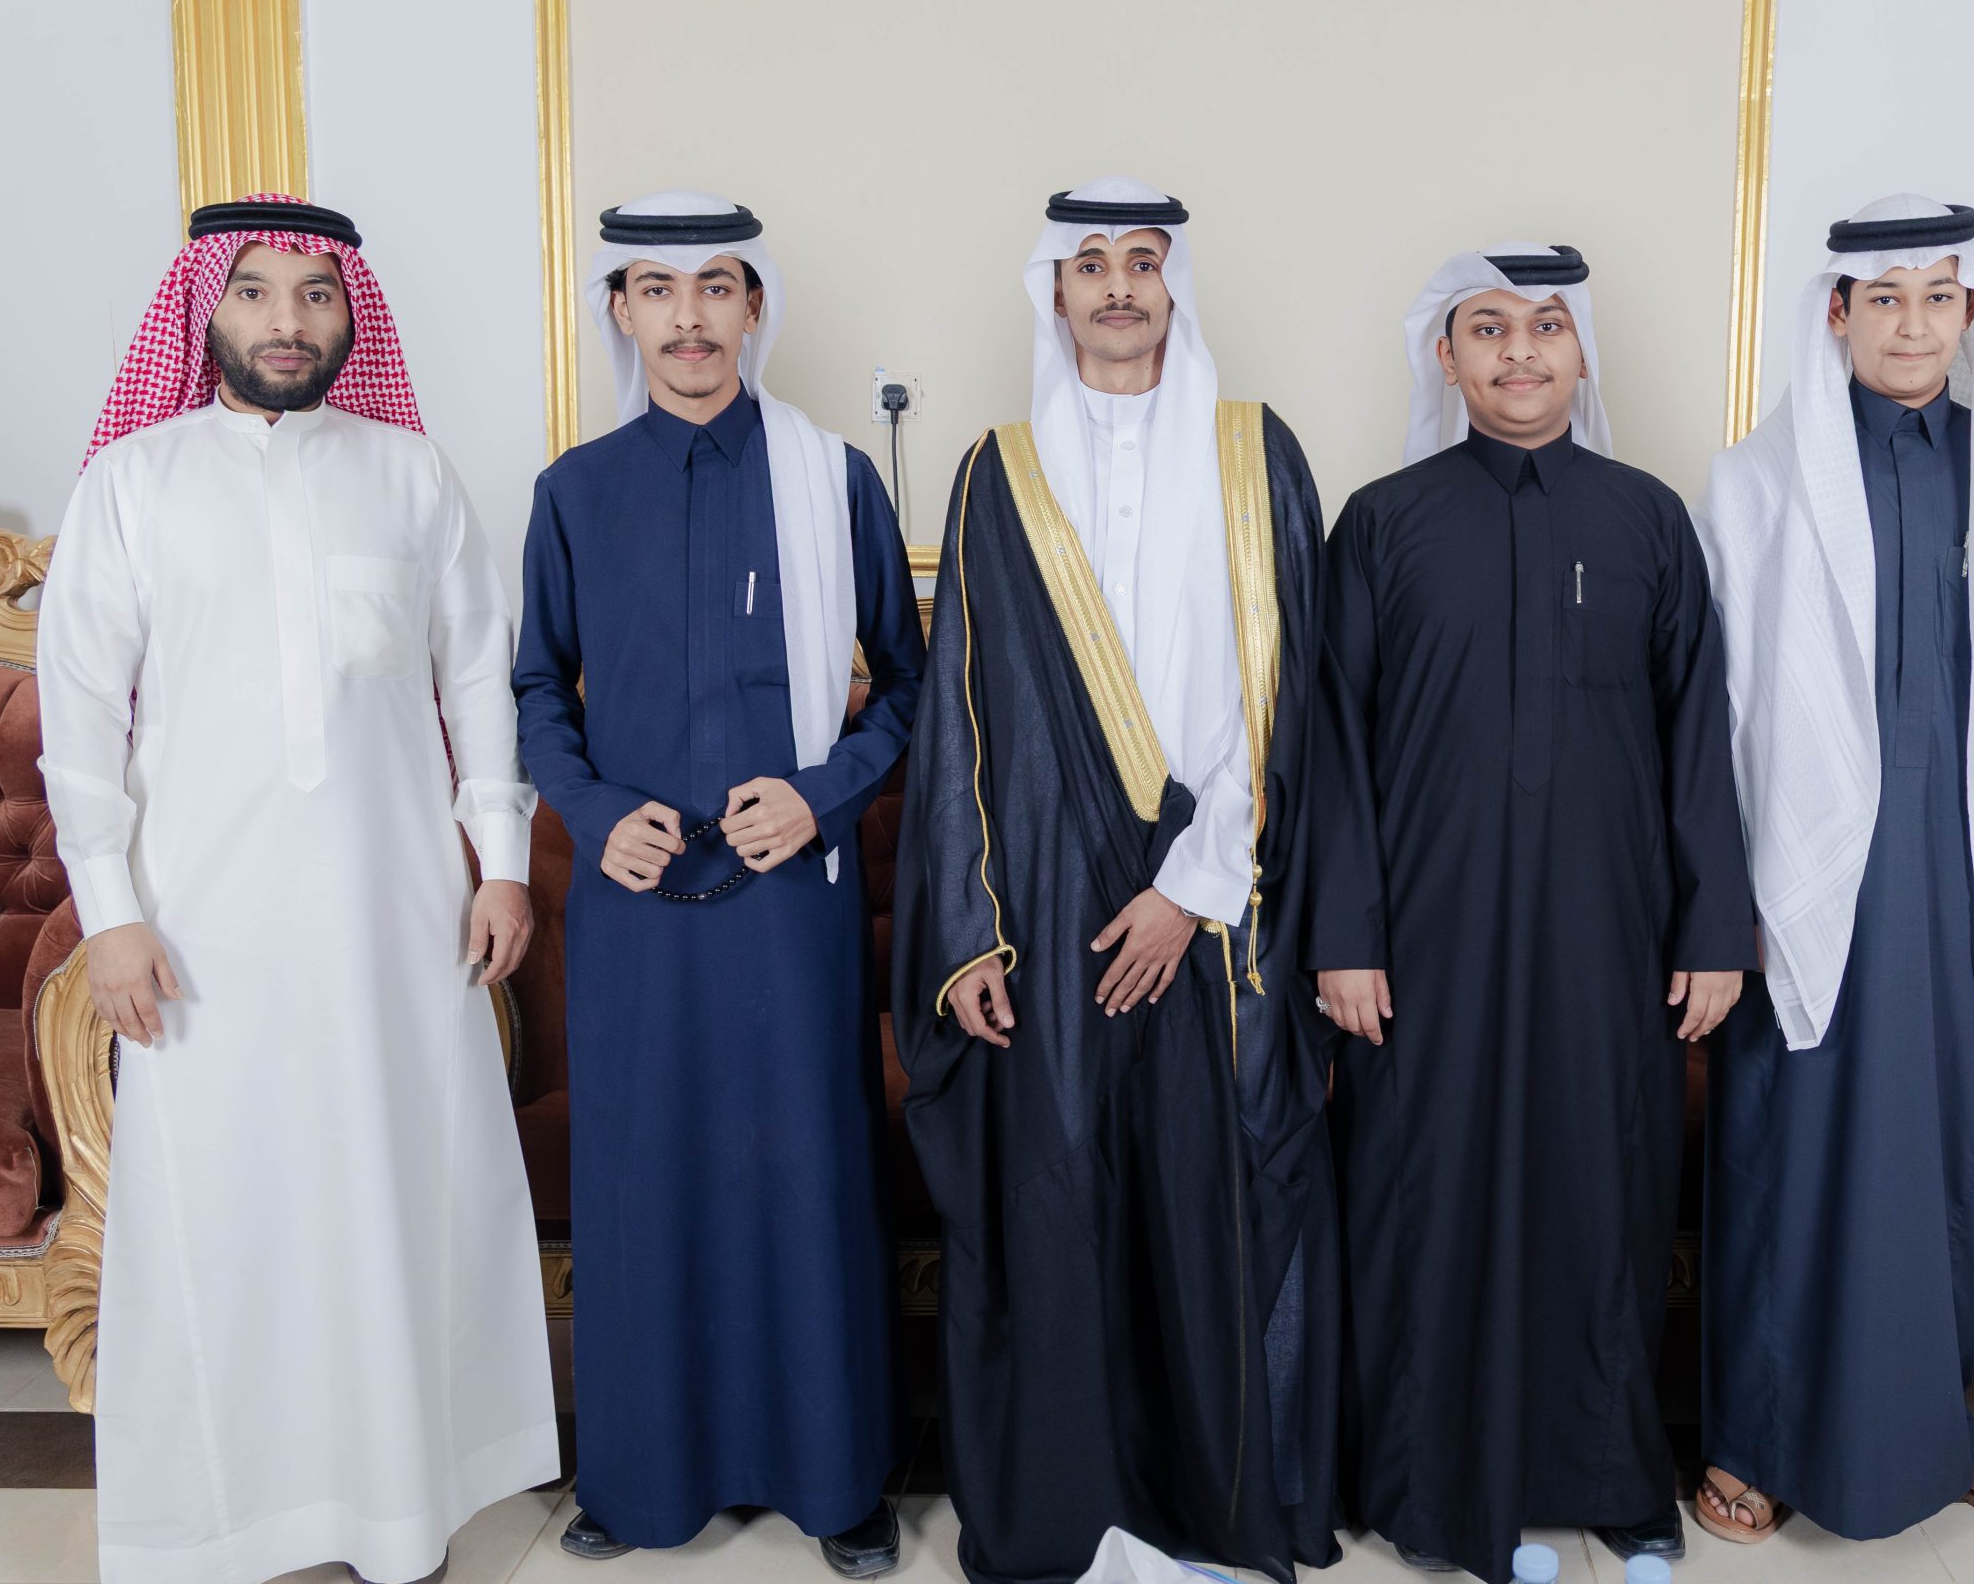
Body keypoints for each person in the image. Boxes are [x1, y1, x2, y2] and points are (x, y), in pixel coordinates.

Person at [38, 194, 556, 1584]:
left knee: (394, 1202)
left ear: (349, 317)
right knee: (229, 1216)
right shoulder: (133, 482)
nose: (287, 320)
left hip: (399, 921)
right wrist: (111, 916)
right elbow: (78, 720)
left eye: (316, 294)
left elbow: (476, 682)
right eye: (257, 291)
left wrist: (502, 867)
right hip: (200, 931)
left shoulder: (411, 474)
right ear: (206, 308)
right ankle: (229, 1521)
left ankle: (396, 1511)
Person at [893, 177, 1340, 1584]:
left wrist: (1193, 884)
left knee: (1218, 1201)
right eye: (1089, 264)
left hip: (1220, 913)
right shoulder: (997, 468)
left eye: (1142, 260)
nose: (1118, 286)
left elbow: (1289, 695)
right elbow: (960, 709)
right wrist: (966, 931)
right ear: (1055, 291)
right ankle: (1073, 1506)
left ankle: (1215, 1504)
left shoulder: (1255, 451)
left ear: (1172, 284)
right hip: (1048, 915)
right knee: (1067, 1195)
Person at [1307, 242, 1755, 1582]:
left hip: (1608, 939)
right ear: (1445, 360)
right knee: (1423, 1198)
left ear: (1580, 352)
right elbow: (1331, 744)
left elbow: (1700, 739)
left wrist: (1712, 929)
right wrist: (1344, 936)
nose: (1518, 353)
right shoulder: (1381, 522)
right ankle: (1420, 1473)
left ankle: (1609, 1473)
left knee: (1602, 1194)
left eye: (1545, 327)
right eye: (1488, 329)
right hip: (1422, 945)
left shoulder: (1648, 520)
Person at [514, 193, 924, 1572]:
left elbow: (910, 689)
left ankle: (837, 1479)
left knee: (805, 1175)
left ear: (754, 307)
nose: (687, 319)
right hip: (633, 910)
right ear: (621, 311)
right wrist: (590, 812)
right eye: (656, 289)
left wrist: (821, 792)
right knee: (644, 1182)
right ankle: (641, 1478)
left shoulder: (834, 479)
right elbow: (535, 688)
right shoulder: (573, 491)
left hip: (789, 907)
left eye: (714, 289)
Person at [1696, 196, 1974, 1546]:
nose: (1914, 325)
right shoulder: (1758, 482)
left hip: (1964, 882)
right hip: (1805, 881)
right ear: (1837, 313)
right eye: (1885, 298)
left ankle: (1944, 1426)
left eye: (1939, 297)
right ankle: (1756, 1433)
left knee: (1946, 1159)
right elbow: (1715, 714)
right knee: (1792, 1150)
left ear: (1970, 312)